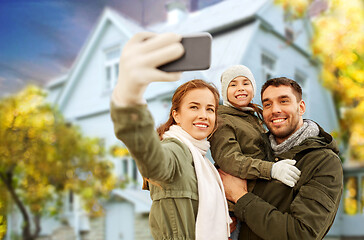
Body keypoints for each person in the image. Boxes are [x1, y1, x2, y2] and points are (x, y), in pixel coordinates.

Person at [110, 32, 230, 239]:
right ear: (176, 114)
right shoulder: (175, 150)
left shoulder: (202, 160)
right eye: (194, 107)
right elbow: (151, 159)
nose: (203, 115)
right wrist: (129, 96)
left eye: (210, 109)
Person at [219, 77, 343, 240]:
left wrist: (240, 197)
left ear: (301, 107)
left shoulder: (324, 162)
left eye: (284, 101)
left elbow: (301, 234)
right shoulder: (253, 149)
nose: (275, 110)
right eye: (267, 104)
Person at [209, 65, 301, 239]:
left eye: (246, 83)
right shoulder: (223, 120)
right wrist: (271, 169)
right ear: (224, 91)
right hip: (234, 208)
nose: (240, 88)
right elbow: (230, 160)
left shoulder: (252, 116)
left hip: (255, 199)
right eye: (233, 85)